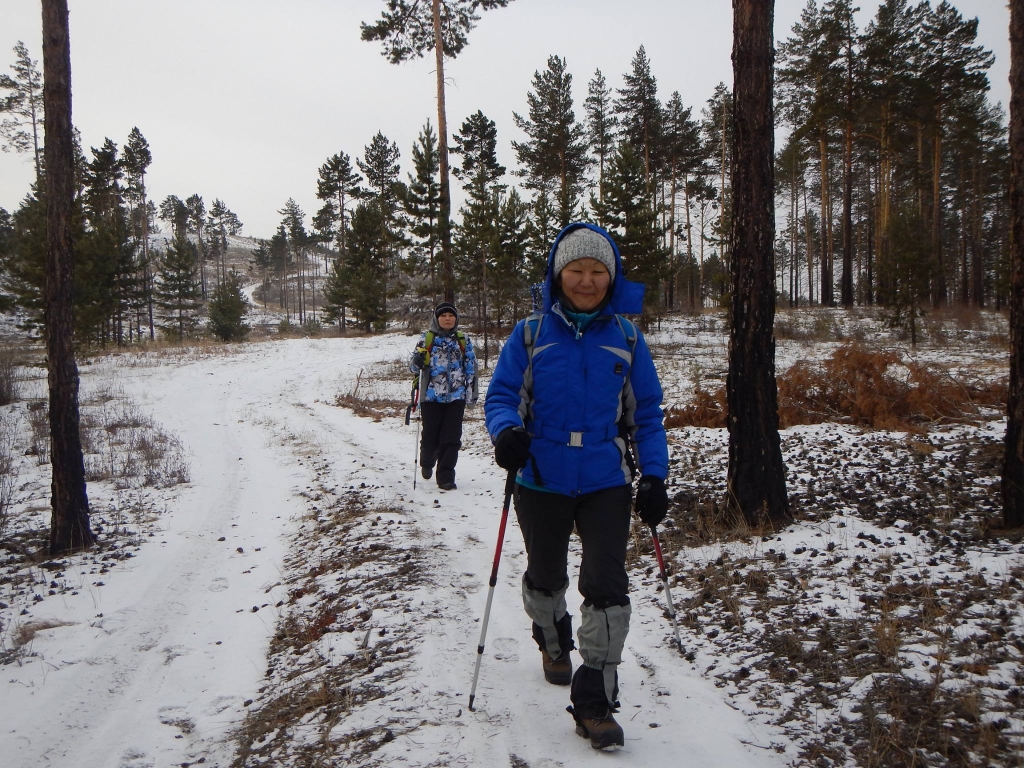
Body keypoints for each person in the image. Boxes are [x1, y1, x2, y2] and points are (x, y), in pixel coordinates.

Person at [484, 223, 669, 751]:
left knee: (606, 586)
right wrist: (507, 433)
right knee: (546, 577)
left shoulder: (628, 340)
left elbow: (647, 416)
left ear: (611, 278)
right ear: (557, 274)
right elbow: (500, 398)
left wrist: (654, 475)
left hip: (605, 481)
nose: (586, 281)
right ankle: (552, 637)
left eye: (597, 271)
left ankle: (595, 701)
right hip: (540, 478)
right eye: (576, 270)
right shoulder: (529, 335)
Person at [410, 301, 478, 490]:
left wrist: (471, 394)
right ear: (437, 318)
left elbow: (471, 368)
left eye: (451, 315)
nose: (447, 319)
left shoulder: (462, 340)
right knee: (431, 436)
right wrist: (417, 361)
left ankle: (446, 476)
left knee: (452, 437)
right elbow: (414, 368)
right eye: (443, 315)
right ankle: (427, 461)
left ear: (456, 319)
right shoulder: (427, 339)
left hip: (456, 397)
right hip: (431, 397)